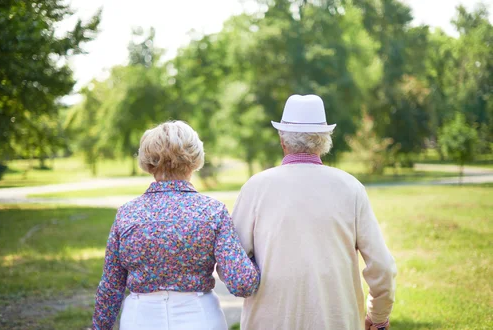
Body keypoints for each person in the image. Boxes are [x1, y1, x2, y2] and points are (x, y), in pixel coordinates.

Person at [230, 94, 397, 330]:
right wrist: (379, 317)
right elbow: (382, 267)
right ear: (325, 140)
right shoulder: (351, 188)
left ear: (282, 139)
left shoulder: (256, 188)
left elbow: (232, 260)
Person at [92, 121, 260, 330]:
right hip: (200, 317)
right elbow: (242, 283)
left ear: (148, 162)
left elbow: (111, 287)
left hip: (140, 319)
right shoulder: (212, 211)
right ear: (194, 160)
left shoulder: (127, 214)